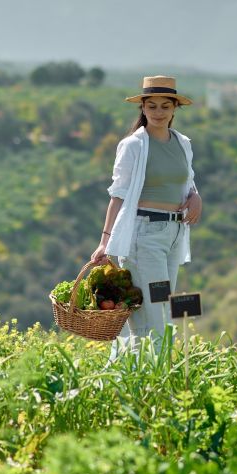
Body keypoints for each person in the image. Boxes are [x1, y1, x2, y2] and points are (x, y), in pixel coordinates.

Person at [90, 75, 203, 361]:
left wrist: (195, 195)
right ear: (142, 108)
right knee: (155, 309)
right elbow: (118, 194)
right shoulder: (134, 145)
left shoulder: (182, 143)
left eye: (165, 105)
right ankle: (154, 373)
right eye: (151, 106)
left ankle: (136, 371)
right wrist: (105, 242)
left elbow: (186, 180)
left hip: (174, 235)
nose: (158, 112)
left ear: (175, 108)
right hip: (144, 235)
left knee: (163, 305)